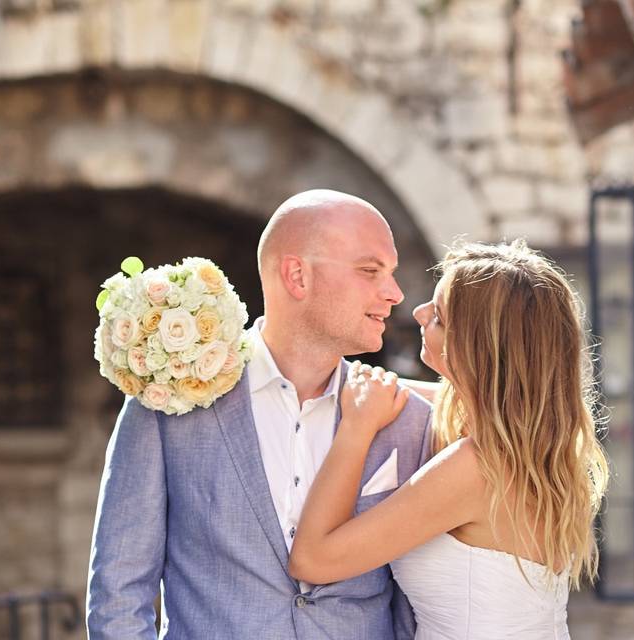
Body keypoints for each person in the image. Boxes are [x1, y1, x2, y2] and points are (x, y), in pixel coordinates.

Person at [87, 190, 432, 639]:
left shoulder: (407, 418)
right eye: (370, 271)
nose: (395, 293)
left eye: (391, 273)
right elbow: (119, 592)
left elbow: (414, 601)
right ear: (296, 275)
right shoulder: (167, 396)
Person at [289, 239, 609, 639]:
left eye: (438, 316)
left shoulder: (478, 468)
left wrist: (357, 429)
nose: (419, 313)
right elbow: (390, 389)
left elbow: (313, 560)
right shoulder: (538, 438)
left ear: (475, 348)